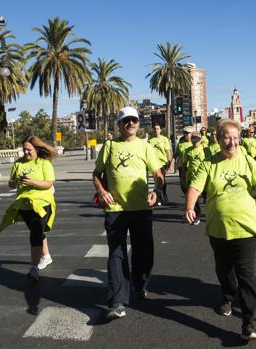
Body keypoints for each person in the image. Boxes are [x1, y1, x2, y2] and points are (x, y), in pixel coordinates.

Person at [184, 119, 256, 341]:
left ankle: (248, 322)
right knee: (224, 270)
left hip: (245, 226)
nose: (232, 142)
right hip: (218, 227)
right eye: (227, 137)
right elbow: (195, 187)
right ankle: (227, 296)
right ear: (218, 138)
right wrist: (189, 207)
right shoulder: (209, 163)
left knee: (246, 275)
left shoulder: (248, 160)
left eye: (236, 138)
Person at [93, 107, 164, 321]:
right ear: (119, 124)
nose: (130, 124)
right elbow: (97, 173)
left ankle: (140, 283)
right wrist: (102, 191)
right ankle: (117, 302)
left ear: (138, 123)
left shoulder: (145, 146)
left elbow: (158, 174)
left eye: (134, 120)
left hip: (141, 208)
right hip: (115, 209)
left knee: (144, 252)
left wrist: (156, 191)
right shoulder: (109, 146)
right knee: (116, 254)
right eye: (126, 121)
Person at [0, 136, 58, 281]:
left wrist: (32, 182)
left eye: (29, 149)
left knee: (36, 233)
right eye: (24, 149)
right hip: (24, 205)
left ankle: (33, 269)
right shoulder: (18, 163)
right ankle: (46, 256)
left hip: (42, 204)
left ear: (36, 149)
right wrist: (16, 181)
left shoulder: (44, 163)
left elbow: (48, 183)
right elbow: (10, 184)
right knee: (37, 231)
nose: (26, 152)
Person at [148, 124, 173, 205]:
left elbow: (167, 151)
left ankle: (164, 196)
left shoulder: (164, 139)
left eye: (158, 129)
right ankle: (158, 197)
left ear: (160, 130)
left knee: (162, 180)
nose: (156, 130)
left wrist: (169, 161)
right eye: (155, 129)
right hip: (153, 163)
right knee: (156, 181)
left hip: (162, 163)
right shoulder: (150, 140)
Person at [174, 127, 194, 194]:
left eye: (187, 133)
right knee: (183, 184)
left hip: (191, 167)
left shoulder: (195, 143)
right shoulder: (181, 143)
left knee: (191, 184)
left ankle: (193, 200)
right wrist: (171, 162)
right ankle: (187, 195)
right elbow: (176, 153)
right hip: (181, 166)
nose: (185, 135)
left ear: (192, 134)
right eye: (184, 133)